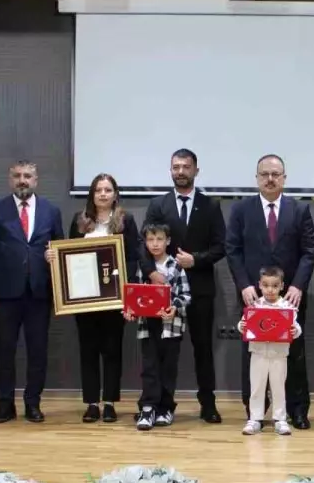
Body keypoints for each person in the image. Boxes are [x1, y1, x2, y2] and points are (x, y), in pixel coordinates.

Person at [225, 154, 314, 429]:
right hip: (254, 296)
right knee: (253, 356)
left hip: (290, 298)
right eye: (264, 174)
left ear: (284, 178)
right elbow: (232, 250)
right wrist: (243, 284)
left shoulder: (299, 210)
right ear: (256, 178)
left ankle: (297, 410)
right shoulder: (241, 210)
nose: (270, 179)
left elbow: (310, 251)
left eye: (275, 174)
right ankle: (255, 412)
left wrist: (298, 285)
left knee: (295, 353)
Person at [50, 173, 140, 423]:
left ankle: (109, 402)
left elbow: (132, 257)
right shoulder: (80, 220)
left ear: (115, 194)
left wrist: (127, 293)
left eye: (108, 190)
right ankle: (91, 403)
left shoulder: (126, 220)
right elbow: (68, 255)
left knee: (112, 351)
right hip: (85, 300)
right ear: (92, 194)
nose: (103, 194)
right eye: (98, 190)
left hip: (115, 299)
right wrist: (54, 258)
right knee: (88, 351)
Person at [144, 149, 226, 424]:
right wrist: (150, 274)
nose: (181, 171)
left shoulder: (211, 205)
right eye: (176, 166)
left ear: (196, 170)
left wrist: (196, 260)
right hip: (165, 291)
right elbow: (143, 245)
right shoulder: (158, 204)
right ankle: (162, 405)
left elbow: (221, 247)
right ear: (170, 170)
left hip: (201, 288)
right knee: (164, 352)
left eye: (186, 166)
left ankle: (208, 404)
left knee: (203, 349)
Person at [0, 160, 65, 424]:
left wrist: (55, 261)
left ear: (36, 180)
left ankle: (33, 404)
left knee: (37, 352)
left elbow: (62, 252)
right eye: (17, 176)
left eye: (27, 176)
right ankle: (5, 404)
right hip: (5, 294)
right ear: (10, 180)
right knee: (4, 352)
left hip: (39, 293)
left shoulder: (51, 210)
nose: (22, 180)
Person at [132, 223, 192, 431]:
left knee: (168, 369)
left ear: (168, 241)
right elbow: (135, 295)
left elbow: (186, 295)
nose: (155, 244)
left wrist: (174, 307)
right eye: (150, 240)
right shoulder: (143, 267)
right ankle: (148, 407)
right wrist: (131, 309)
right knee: (149, 368)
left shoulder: (176, 265)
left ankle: (165, 408)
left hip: (171, 327)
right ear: (145, 243)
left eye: (159, 239)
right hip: (148, 326)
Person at [238, 266, 302, 436]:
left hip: (279, 355)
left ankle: (280, 419)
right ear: (259, 285)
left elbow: (295, 327)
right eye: (266, 285)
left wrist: (295, 331)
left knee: (278, 387)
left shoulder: (287, 307)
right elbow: (244, 324)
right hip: (258, 353)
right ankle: (255, 418)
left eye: (274, 286)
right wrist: (241, 326)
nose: (270, 290)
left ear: (282, 286)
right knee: (257, 387)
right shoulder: (255, 305)